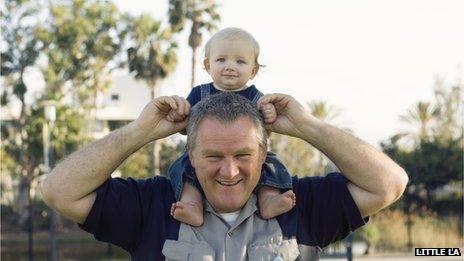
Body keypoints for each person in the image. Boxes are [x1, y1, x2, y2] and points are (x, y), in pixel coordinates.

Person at [41, 92, 408, 260]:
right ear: (190, 155)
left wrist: (305, 124)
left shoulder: (300, 203)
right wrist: (139, 132)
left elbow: (389, 183)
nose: (229, 171)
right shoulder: (153, 206)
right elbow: (59, 191)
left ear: (263, 154)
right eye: (213, 156)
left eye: (244, 155)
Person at [167, 27, 294, 227]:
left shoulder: (256, 97)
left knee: (270, 165)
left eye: (240, 61)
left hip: (249, 157)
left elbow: (265, 131)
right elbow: (186, 127)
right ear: (208, 65)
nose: (230, 67)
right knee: (183, 168)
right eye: (221, 60)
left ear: (253, 71)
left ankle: (268, 198)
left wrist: (269, 115)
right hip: (204, 157)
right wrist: (178, 115)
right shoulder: (199, 94)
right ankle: (191, 204)